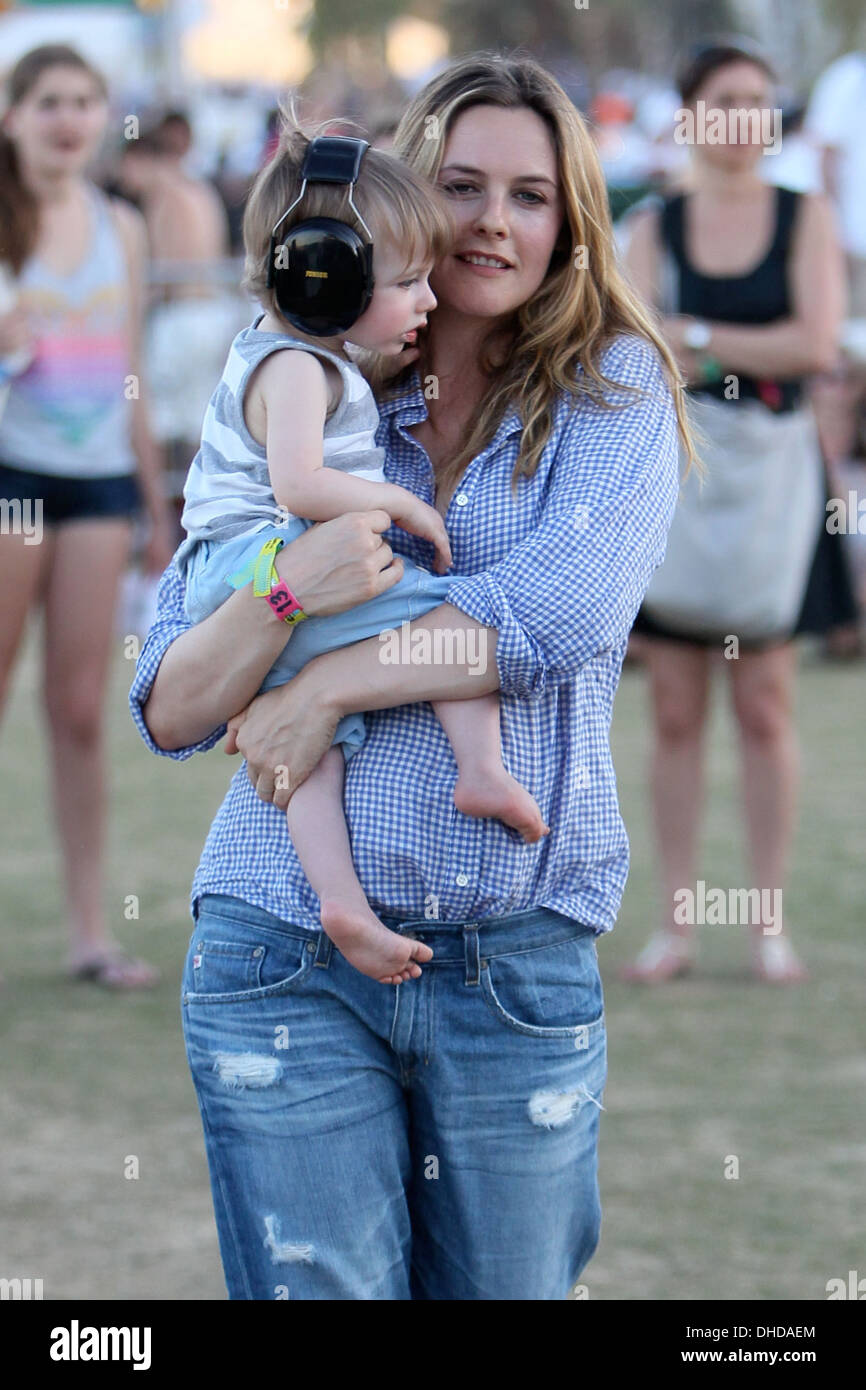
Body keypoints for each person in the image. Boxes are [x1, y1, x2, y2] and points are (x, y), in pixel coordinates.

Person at [130, 53, 686, 1300]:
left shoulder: (614, 391)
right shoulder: (295, 381)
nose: (493, 220)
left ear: (571, 218)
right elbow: (173, 699)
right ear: (395, 205)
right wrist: (287, 593)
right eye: (463, 184)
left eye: (531, 194)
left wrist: (321, 689)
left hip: (513, 956)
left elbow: (551, 615)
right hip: (279, 949)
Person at [175, 118, 548, 984]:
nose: (427, 299)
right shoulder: (300, 369)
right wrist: (395, 502)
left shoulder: (294, 358)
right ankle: (483, 769)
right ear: (327, 277)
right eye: (408, 281)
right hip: (263, 564)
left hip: (236, 579)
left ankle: (339, 901)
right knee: (447, 625)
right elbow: (303, 485)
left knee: (315, 747)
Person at [621, 39, 844, 984]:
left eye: (760, 101)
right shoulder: (652, 224)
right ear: (690, 116)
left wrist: (701, 340)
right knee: (674, 710)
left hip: (774, 482)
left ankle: (764, 921)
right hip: (681, 475)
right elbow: (633, 348)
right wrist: (728, 350)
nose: (746, 118)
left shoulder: (806, 217)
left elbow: (816, 342)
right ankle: (676, 923)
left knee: (765, 706)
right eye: (726, 101)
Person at [0, 45, 175, 989]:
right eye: (48, 102)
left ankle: (88, 933)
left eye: (84, 102)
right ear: (13, 116)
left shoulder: (122, 224)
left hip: (101, 483)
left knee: (79, 711)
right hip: (11, 477)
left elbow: (133, 379)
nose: (68, 119)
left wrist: (154, 504)